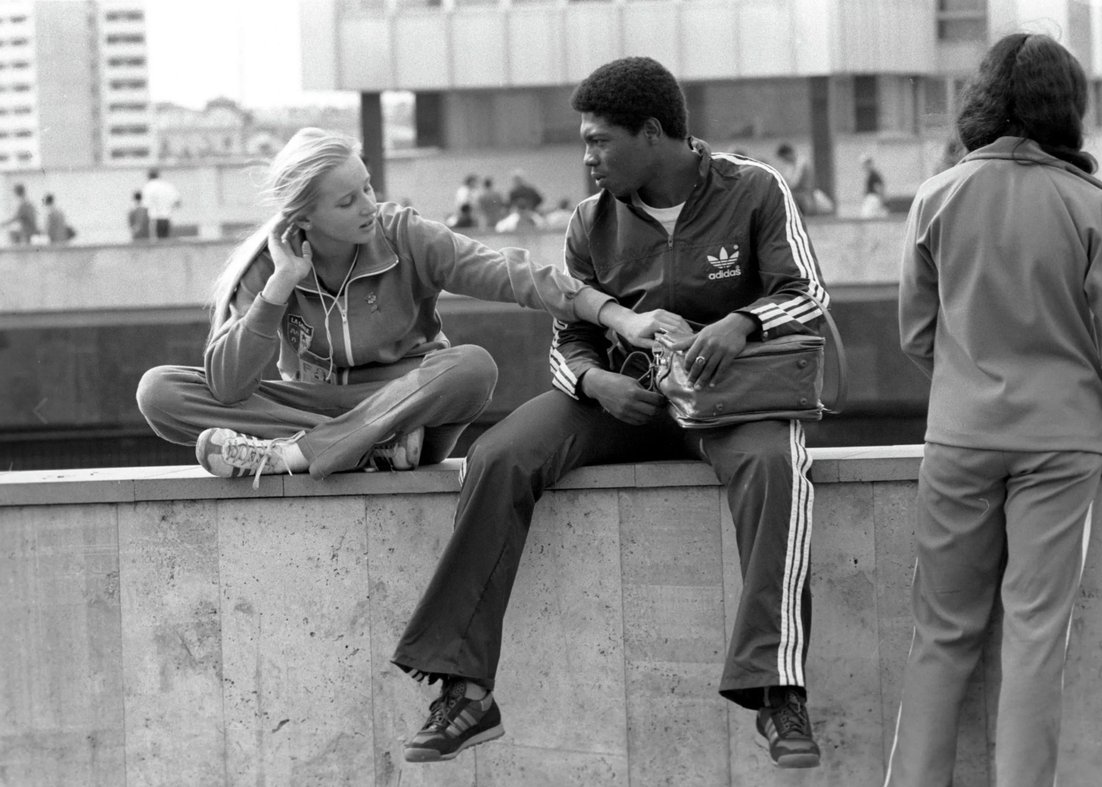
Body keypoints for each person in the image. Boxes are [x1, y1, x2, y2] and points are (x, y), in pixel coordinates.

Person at [391, 56, 830, 770]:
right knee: (499, 454)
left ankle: (779, 690)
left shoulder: (754, 189)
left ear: (653, 132)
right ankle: (465, 689)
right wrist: (596, 385)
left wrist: (741, 322)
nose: (588, 157)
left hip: (730, 404)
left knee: (779, 464)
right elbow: (567, 337)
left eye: (599, 140)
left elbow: (807, 293)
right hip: (620, 401)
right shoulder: (589, 221)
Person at [884, 33, 1102, 787]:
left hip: (960, 436)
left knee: (940, 633)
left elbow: (915, 333)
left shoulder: (937, 197)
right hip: (1063, 440)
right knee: (1036, 634)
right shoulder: (1092, 204)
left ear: (983, 97)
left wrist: (966, 387)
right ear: (1068, 105)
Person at [136, 127, 683, 486]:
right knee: (159, 390)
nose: (368, 206)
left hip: (408, 404)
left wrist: (619, 316)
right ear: (304, 217)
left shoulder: (402, 234)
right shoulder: (268, 264)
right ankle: (357, 447)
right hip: (344, 414)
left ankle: (289, 455)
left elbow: (513, 275)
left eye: (368, 188)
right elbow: (228, 386)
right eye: (348, 201)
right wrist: (281, 287)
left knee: (471, 366)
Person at [776, 142, 815, 214]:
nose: (784, 161)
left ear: (788, 154)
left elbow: (794, 183)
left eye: (784, 158)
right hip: (797, 194)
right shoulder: (790, 165)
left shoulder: (802, 163)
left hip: (804, 195)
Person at [142, 169, 181, 239]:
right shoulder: (167, 185)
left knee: (157, 244)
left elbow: (145, 206)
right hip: (167, 218)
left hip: (154, 219)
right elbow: (177, 202)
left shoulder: (148, 186)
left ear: (149, 176)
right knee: (166, 242)